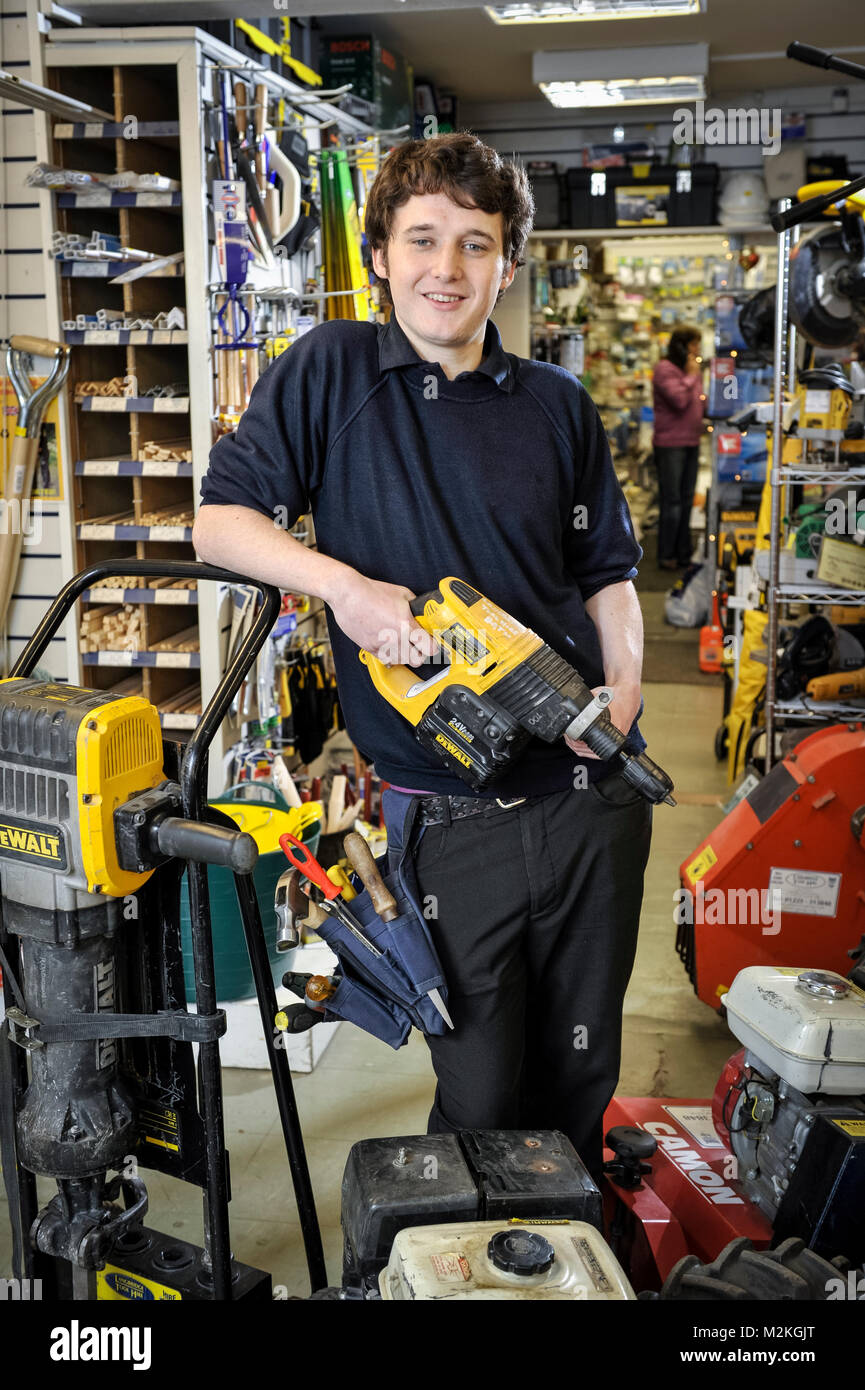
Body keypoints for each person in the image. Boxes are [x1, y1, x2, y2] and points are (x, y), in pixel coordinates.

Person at [193, 133, 652, 1181]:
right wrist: (342, 587)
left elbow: (608, 573)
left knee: (580, 1073)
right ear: (383, 254)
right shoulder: (330, 370)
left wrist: (621, 690)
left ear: (507, 262)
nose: (446, 268)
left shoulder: (557, 405)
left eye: (474, 243)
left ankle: (556, 1258)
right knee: (483, 1084)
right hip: (445, 818)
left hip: (590, 804)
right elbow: (219, 524)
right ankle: (461, 1259)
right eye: (423, 239)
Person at [652, 326, 704, 571]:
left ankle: (684, 553)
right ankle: (666, 554)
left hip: (691, 441)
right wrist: (692, 375)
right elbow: (680, 401)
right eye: (694, 345)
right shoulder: (665, 370)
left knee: (685, 500)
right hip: (671, 445)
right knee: (672, 501)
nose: (697, 351)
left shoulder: (687, 371)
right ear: (682, 346)